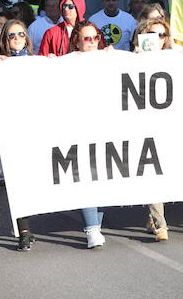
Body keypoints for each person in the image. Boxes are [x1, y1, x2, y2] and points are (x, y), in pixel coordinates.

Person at [63, 20, 108, 248]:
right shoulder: (70, 61)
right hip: (80, 128)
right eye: (87, 39)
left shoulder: (108, 58)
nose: (92, 43)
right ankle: (91, 228)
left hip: (106, 127)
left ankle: (95, 224)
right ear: (77, 42)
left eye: (95, 38)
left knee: (103, 176)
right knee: (87, 176)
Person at [133, 17, 177, 241]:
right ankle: (161, 224)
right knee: (153, 172)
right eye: (153, 34)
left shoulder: (174, 57)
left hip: (168, 124)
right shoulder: (134, 59)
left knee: (166, 173)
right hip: (144, 125)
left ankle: (152, 218)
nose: (157, 39)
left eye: (162, 35)